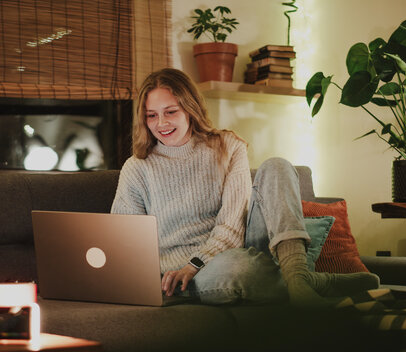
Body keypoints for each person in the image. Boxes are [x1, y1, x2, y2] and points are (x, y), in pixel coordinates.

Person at [111, 68, 379, 308]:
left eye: (171, 112)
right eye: (151, 115)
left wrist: (197, 261)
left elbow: (232, 226)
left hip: (233, 247)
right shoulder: (137, 168)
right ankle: (314, 282)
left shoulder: (227, 146)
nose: (161, 123)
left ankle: (297, 279)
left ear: (190, 108)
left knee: (278, 165)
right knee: (239, 269)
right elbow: (124, 242)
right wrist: (183, 269)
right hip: (192, 271)